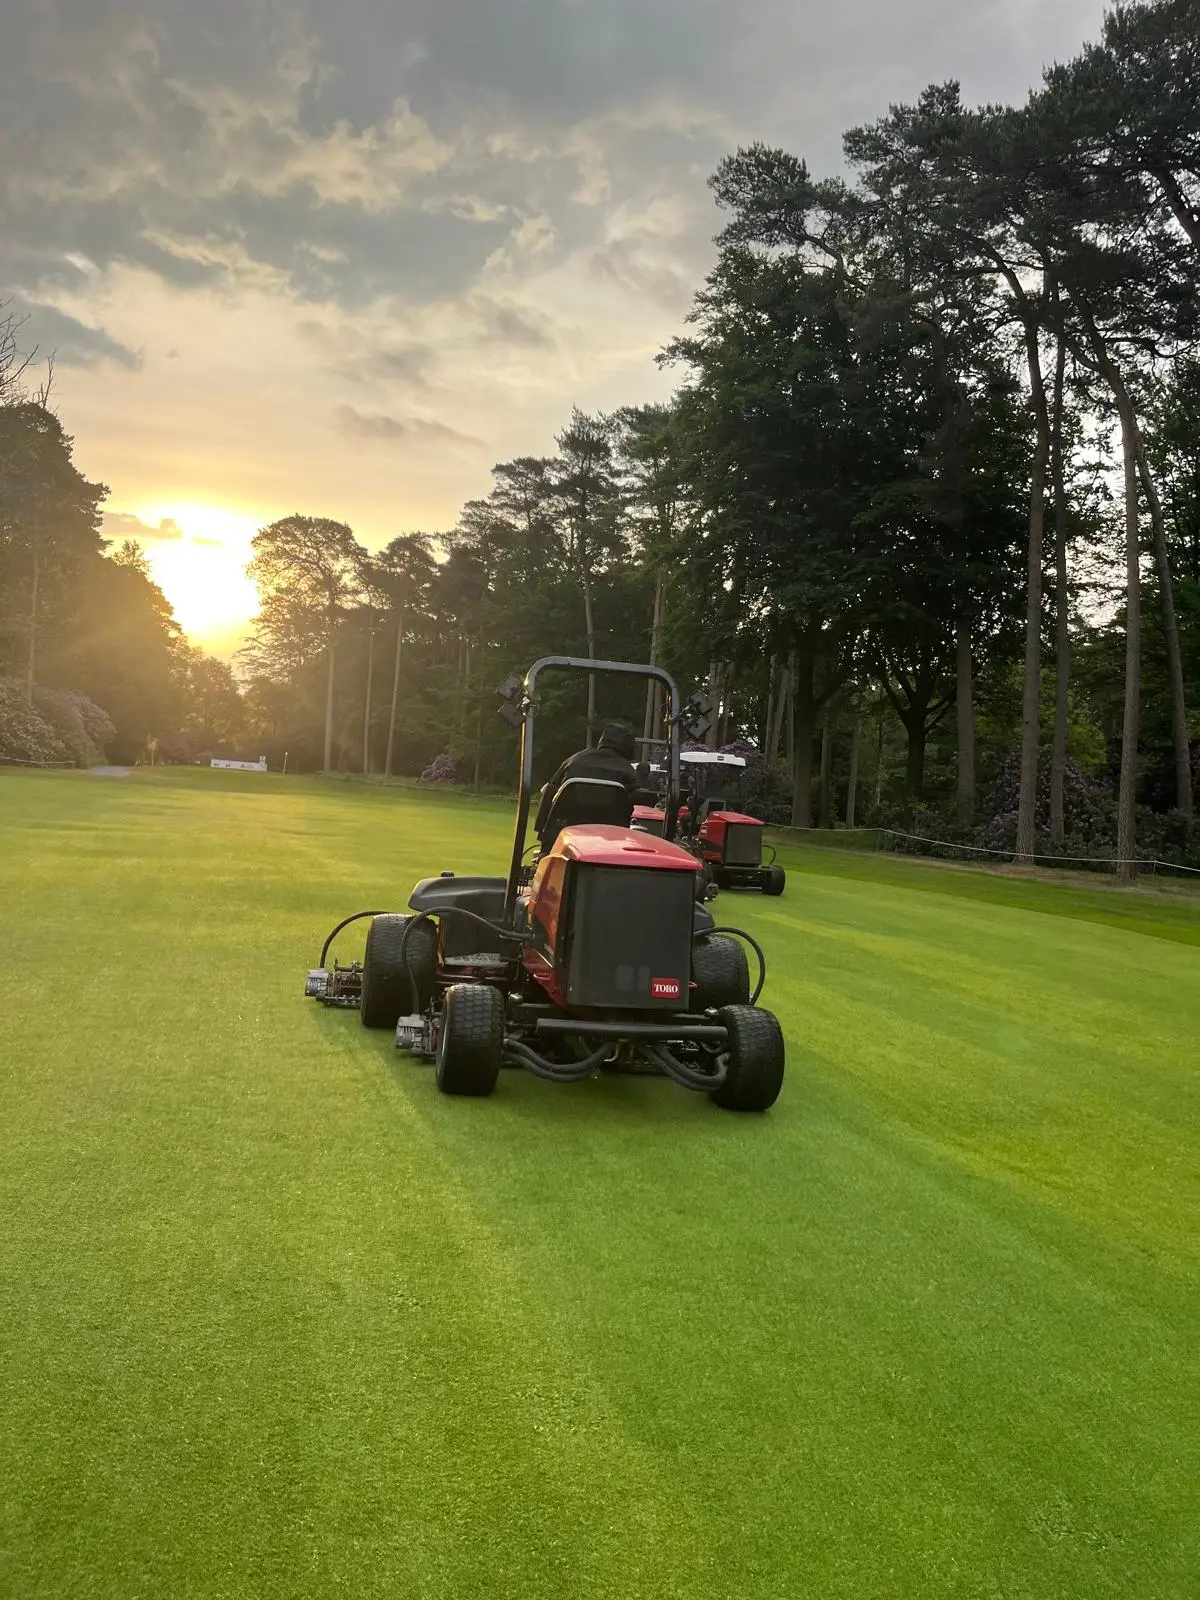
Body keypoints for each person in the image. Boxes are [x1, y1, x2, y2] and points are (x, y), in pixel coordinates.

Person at [534, 723, 646, 850]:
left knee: (548, 789)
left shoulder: (575, 760)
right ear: (628, 746)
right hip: (610, 834)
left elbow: (550, 787)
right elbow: (637, 796)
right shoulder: (626, 769)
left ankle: (544, 848)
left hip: (566, 827)